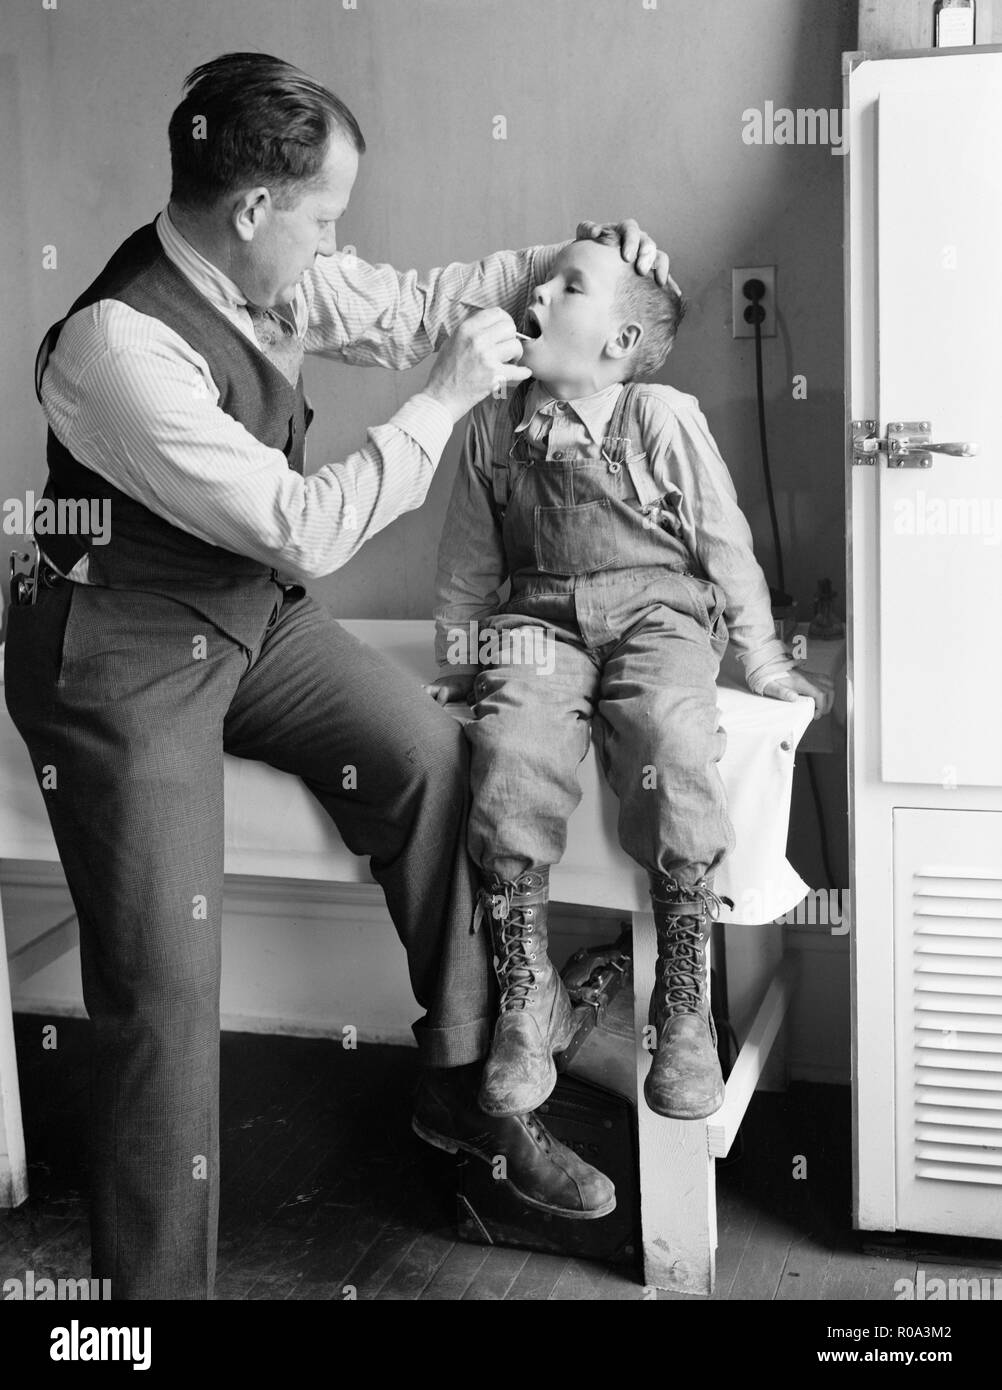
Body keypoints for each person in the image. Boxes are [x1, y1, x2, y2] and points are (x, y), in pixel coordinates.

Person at [5, 53, 672, 1299]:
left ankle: (464, 1097)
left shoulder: (280, 274)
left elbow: (419, 303)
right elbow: (307, 524)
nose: (337, 246)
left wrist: (565, 260)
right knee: (163, 981)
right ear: (254, 208)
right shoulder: (113, 349)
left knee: (433, 763)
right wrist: (444, 402)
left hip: (248, 619)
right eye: (325, 217)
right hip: (120, 645)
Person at [427, 233, 833, 1124]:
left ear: (617, 344)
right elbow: (466, 566)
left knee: (672, 737)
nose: (537, 292)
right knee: (509, 748)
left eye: (568, 286)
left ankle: (682, 1001)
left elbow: (725, 544)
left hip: (659, 615)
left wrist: (763, 659)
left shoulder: (659, 415)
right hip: (537, 619)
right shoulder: (491, 424)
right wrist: (461, 667)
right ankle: (526, 993)